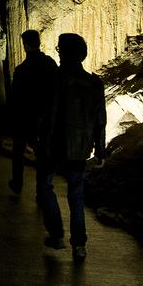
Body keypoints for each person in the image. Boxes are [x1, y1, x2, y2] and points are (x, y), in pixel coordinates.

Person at [38, 33, 107, 262]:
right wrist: (100, 149)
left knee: (45, 185)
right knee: (76, 194)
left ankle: (56, 233)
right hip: (80, 147)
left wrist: (44, 141)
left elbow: (52, 113)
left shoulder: (56, 79)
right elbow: (100, 119)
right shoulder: (95, 83)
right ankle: (79, 245)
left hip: (56, 144)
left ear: (64, 53)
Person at [7, 30, 58, 198]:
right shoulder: (49, 64)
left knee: (18, 152)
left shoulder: (21, 70)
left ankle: (17, 184)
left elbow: (15, 97)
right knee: (41, 155)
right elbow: (56, 90)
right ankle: (41, 190)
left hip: (24, 118)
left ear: (25, 45)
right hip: (43, 118)